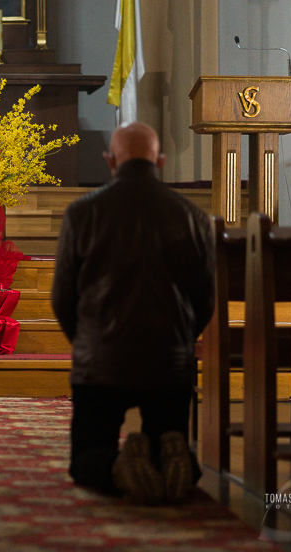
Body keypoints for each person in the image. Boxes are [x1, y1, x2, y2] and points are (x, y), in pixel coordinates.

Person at [51, 123, 215, 505]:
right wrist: (182, 343)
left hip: (101, 363)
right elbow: (205, 298)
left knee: (86, 458)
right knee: (166, 437)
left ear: (110, 162)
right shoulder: (195, 216)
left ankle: (117, 465)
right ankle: (175, 458)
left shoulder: (82, 213)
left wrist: (87, 343)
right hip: (169, 365)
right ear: (160, 161)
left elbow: (62, 298)